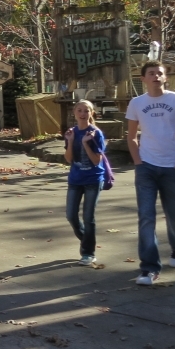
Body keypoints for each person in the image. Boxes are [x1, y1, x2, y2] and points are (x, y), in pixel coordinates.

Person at [126, 60, 175, 285]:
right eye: (151, 73)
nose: (156, 76)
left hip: (172, 166)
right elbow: (131, 136)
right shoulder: (136, 103)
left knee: (174, 213)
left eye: (159, 73)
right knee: (146, 216)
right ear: (143, 79)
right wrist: (138, 162)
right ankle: (149, 268)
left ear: (166, 77)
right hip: (146, 167)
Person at [63, 100, 105, 266]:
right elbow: (68, 159)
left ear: (91, 113)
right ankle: (87, 240)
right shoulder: (71, 132)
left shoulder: (96, 133)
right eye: (79, 110)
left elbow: (96, 161)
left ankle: (88, 252)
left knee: (88, 217)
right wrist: (71, 141)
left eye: (86, 111)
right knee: (71, 215)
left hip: (93, 180)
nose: (82, 114)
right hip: (75, 180)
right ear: (74, 112)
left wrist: (86, 143)